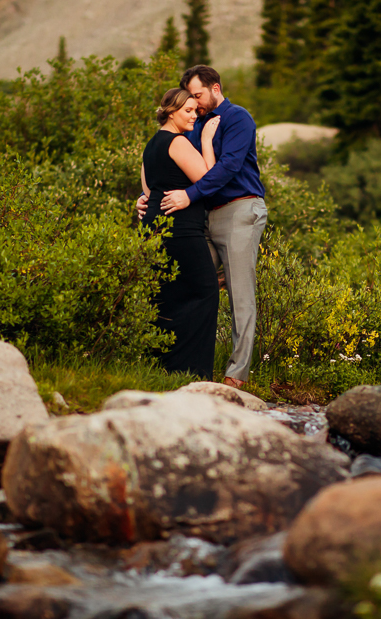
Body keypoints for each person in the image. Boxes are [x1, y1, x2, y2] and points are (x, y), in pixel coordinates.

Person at [137, 65, 267, 389]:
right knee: (188, 284)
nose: (195, 104)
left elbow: (226, 168)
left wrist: (188, 195)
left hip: (239, 210)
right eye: (190, 100)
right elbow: (174, 162)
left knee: (239, 294)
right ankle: (176, 363)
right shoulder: (196, 122)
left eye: (198, 95)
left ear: (216, 88)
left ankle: (235, 376)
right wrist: (147, 197)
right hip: (204, 218)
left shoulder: (238, 118)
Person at [141, 87, 222, 379]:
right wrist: (206, 140)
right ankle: (194, 372)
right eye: (187, 110)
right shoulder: (178, 142)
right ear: (171, 112)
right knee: (205, 291)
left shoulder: (152, 144)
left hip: (154, 227)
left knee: (168, 294)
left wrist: (144, 204)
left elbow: (149, 190)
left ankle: (166, 367)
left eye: (194, 110)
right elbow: (209, 180)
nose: (194, 115)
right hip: (181, 229)